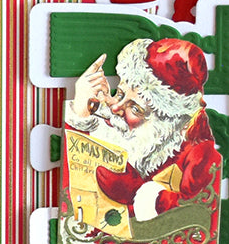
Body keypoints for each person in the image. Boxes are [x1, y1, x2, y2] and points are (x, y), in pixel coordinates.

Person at [65, 39, 220, 223]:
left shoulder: (197, 156)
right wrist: (81, 113)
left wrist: (139, 194)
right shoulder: (114, 127)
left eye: (136, 109)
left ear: (167, 123)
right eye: (120, 94)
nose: (115, 109)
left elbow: (199, 222)